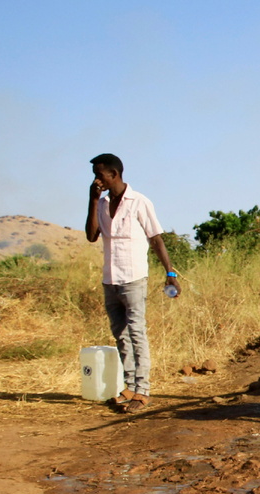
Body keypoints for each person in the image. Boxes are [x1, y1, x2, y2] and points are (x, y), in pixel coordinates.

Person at [84, 153, 180, 412]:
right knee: (121, 336)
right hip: (110, 280)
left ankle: (143, 391)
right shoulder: (102, 204)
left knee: (137, 334)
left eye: (100, 174)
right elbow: (92, 235)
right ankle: (129, 387)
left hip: (134, 279)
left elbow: (156, 239)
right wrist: (93, 201)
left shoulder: (139, 202)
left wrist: (170, 273)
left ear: (114, 174)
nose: (96, 180)